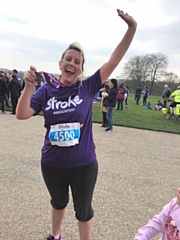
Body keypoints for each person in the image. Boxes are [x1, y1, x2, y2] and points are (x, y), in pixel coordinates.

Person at [16, 9, 137, 240]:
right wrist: (28, 87)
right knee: (58, 202)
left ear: (81, 68)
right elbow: (22, 114)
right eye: (68, 59)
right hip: (52, 162)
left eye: (77, 62)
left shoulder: (87, 87)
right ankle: (55, 235)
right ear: (61, 63)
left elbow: (114, 60)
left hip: (83, 164)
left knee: (83, 210)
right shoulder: (46, 90)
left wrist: (132, 28)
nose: (72, 63)